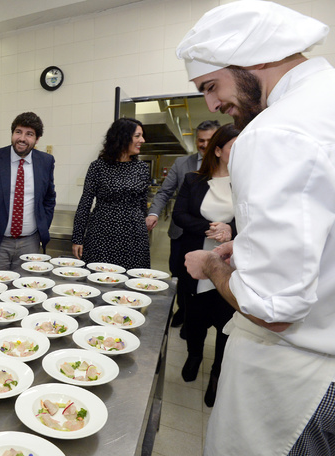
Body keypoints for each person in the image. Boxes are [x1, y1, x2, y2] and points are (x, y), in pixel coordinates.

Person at [176, 1, 335, 454]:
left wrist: (212, 265)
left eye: (211, 86)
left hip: (299, 383)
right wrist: (248, 250)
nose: (212, 104)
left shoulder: (274, 131)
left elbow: (273, 308)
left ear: (256, 57)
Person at [172, 123, 239, 407]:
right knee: (195, 320)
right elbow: (180, 215)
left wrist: (232, 231)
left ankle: (216, 373)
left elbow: (258, 222)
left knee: (226, 325)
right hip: (196, 264)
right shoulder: (193, 180)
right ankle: (194, 356)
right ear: (220, 150)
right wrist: (212, 229)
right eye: (236, 146)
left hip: (231, 267)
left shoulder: (248, 184)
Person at [147, 120, 220, 330]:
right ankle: (183, 309)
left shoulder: (226, 164)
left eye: (209, 140)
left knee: (208, 276)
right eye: (201, 140)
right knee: (179, 273)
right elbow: (165, 192)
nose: (204, 145)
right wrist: (153, 213)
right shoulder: (182, 164)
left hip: (212, 234)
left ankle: (199, 316)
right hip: (181, 232)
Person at [0, 112, 56, 271]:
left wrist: (42, 226)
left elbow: (49, 199)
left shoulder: (46, 161)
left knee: (27, 293)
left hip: (30, 243)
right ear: (12, 133)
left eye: (29, 134)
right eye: (18, 132)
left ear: (37, 139)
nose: (22, 138)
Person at [72, 117, 150, 270]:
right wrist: (77, 238)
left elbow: (142, 204)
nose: (143, 140)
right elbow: (85, 203)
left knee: (131, 284)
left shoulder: (142, 168)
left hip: (133, 237)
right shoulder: (98, 167)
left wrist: (143, 231)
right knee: (100, 280)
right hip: (102, 234)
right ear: (122, 137)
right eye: (137, 136)